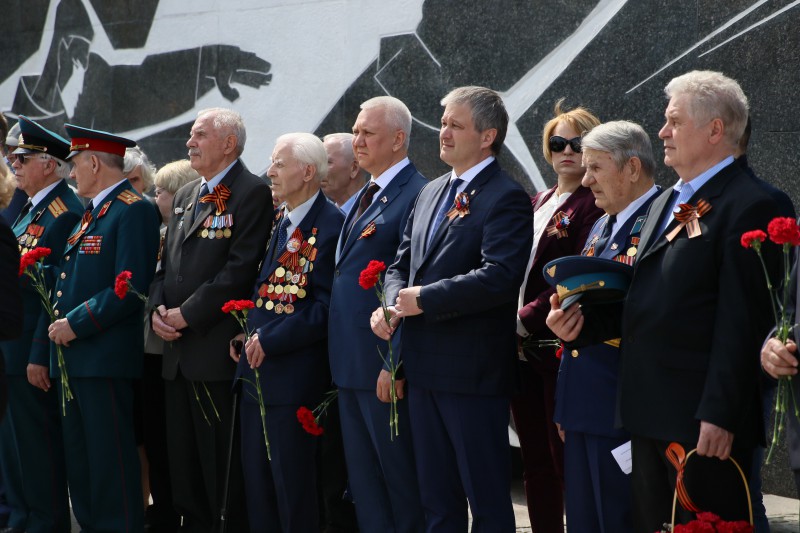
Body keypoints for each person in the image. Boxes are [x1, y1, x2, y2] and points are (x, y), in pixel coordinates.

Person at [616, 71, 780, 531]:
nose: (662, 132)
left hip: (702, 427)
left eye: (673, 121)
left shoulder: (754, 204)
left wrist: (720, 414)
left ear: (714, 130)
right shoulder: (671, 198)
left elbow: (743, 322)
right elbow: (649, 292)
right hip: (651, 412)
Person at [371, 86, 533, 531]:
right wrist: (391, 305)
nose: (442, 131)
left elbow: (500, 276)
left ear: (488, 136)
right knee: (436, 501)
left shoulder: (506, 196)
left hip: (471, 377)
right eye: (443, 121)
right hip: (422, 370)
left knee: (486, 500)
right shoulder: (431, 191)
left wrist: (423, 299)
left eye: (455, 124)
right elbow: (400, 263)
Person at [149, 107, 273, 533]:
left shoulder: (252, 192)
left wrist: (187, 315)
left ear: (228, 144)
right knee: (183, 469)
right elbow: (165, 266)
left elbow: (239, 270)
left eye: (199, 135)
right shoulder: (186, 195)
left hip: (213, 354)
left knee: (219, 470)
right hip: (177, 355)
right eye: (190, 134)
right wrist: (157, 311)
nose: (189, 143)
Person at [545, 120, 659, 532]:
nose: (586, 178)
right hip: (583, 407)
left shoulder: (659, 222)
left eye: (596, 168)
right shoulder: (600, 224)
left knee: (622, 519)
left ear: (631, 168)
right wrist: (565, 398)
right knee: (584, 520)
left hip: (623, 409)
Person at [44, 124, 160, 532]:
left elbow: (127, 289)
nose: (71, 174)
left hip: (104, 358)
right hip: (75, 359)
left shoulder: (133, 209)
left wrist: (74, 324)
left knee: (109, 464)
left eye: (74, 165)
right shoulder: (94, 213)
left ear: (94, 162)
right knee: (82, 464)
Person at [231, 132, 343, 532]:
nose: (269, 171)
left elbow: (325, 307)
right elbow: (266, 290)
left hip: (294, 379)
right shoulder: (281, 218)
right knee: (258, 489)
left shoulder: (331, 225)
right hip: (256, 376)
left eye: (279, 163)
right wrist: (247, 333)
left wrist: (271, 339)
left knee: (293, 490)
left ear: (308, 171)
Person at [328, 95, 427, 533]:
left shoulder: (416, 194)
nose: (357, 140)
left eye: (368, 132)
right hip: (350, 366)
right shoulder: (368, 193)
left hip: (382, 366)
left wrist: (395, 362)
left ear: (398, 139)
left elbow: (404, 282)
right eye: (356, 131)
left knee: (400, 486)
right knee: (366, 489)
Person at [513, 99, 602, 532]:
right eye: (557, 142)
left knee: (563, 457)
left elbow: (576, 275)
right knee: (534, 460)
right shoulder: (537, 200)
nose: (567, 150)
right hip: (519, 351)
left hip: (556, 344)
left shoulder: (594, 204)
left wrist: (522, 319)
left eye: (577, 142)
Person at [0, 116, 82, 533]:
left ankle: (42, 523)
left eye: (23, 157)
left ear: (49, 164)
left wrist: (37, 355)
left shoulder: (65, 212)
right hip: (9, 350)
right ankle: (19, 519)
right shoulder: (28, 209)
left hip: (30, 351)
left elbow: (54, 292)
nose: (13, 162)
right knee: (12, 451)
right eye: (13, 156)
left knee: (36, 449)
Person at [140, 160, 199, 533]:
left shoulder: (183, 233)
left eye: (160, 191)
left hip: (176, 350)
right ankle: (161, 509)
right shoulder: (161, 231)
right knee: (153, 437)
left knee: (174, 442)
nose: (155, 196)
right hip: (150, 349)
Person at [322, 133, 368, 215]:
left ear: (354, 168)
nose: (319, 170)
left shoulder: (376, 212)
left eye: (327, 162)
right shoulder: (324, 217)